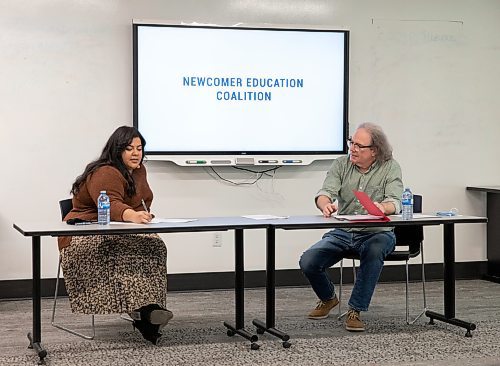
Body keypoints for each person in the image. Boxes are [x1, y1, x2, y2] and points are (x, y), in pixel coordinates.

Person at [58, 126, 171, 345]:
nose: (136, 153)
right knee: (119, 247)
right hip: (84, 229)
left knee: (154, 245)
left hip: (119, 228)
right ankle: (144, 314)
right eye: (129, 149)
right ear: (117, 150)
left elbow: (141, 200)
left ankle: (149, 310)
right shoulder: (105, 171)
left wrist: (143, 216)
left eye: (139, 148)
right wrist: (131, 215)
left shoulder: (138, 171)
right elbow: (108, 204)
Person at [299, 122, 403, 332]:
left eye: (359, 145)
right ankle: (328, 298)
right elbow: (324, 192)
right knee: (308, 261)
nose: (352, 149)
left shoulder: (390, 167)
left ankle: (355, 310)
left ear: (374, 150)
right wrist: (325, 204)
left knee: (373, 251)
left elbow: (395, 202)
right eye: (351, 143)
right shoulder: (341, 164)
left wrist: (382, 207)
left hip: (377, 233)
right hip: (344, 231)